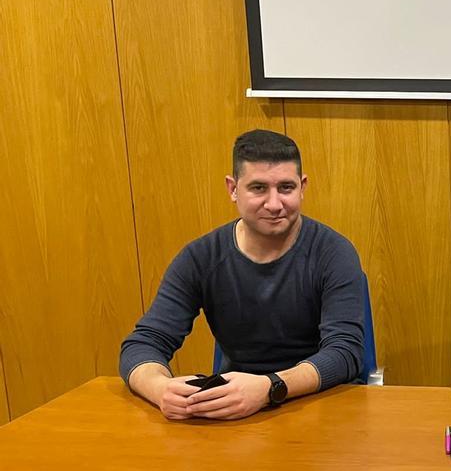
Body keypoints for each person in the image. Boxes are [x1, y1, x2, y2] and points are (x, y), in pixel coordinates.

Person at [120, 129, 364, 421]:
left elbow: (345, 353)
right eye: (258, 188)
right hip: (236, 413)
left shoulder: (334, 252)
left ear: (302, 187)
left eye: (286, 188)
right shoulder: (200, 258)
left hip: (322, 406)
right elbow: (143, 343)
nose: (274, 204)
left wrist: (270, 387)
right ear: (233, 189)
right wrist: (160, 389)